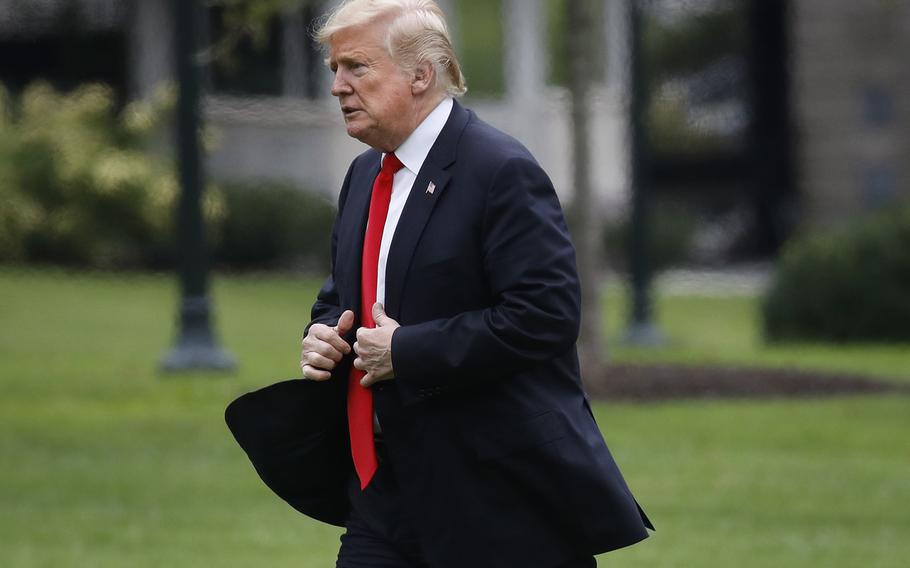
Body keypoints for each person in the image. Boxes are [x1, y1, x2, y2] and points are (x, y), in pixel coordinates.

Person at [299, 1, 653, 566]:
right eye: (334, 69)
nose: (339, 86)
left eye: (357, 67)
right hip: (385, 495)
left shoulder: (499, 169)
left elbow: (546, 316)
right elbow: (343, 294)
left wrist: (408, 350)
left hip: (495, 495)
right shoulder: (367, 172)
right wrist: (324, 333)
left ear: (421, 73)